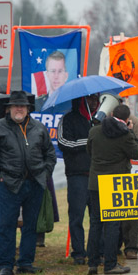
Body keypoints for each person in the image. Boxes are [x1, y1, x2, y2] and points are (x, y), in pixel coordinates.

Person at [0, 91, 56, 275]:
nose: (19, 109)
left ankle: (25, 262)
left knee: (31, 225)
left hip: (35, 183)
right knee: (5, 225)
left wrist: (45, 174)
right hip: (9, 184)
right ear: (9, 108)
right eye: (15, 106)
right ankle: (5, 264)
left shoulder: (38, 128)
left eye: (22, 106)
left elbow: (50, 154)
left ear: (28, 109)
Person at [86, 104, 138, 275]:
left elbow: (89, 151)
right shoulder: (124, 134)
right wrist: (131, 131)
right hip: (115, 185)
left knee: (95, 223)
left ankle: (93, 263)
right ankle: (110, 264)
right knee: (112, 225)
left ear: (111, 114)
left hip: (95, 184)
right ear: (127, 120)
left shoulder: (94, 131)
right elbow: (137, 153)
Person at [57, 94, 100, 265]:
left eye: (96, 99)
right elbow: (63, 142)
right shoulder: (68, 118)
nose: (93, 102)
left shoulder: (101, 120)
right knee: (77, 216)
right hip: (77, 175)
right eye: (89, 99)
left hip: (98, 175)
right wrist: (88, 141)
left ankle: (96, 251)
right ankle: (79, 252)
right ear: (81, 100)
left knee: (97, 217)